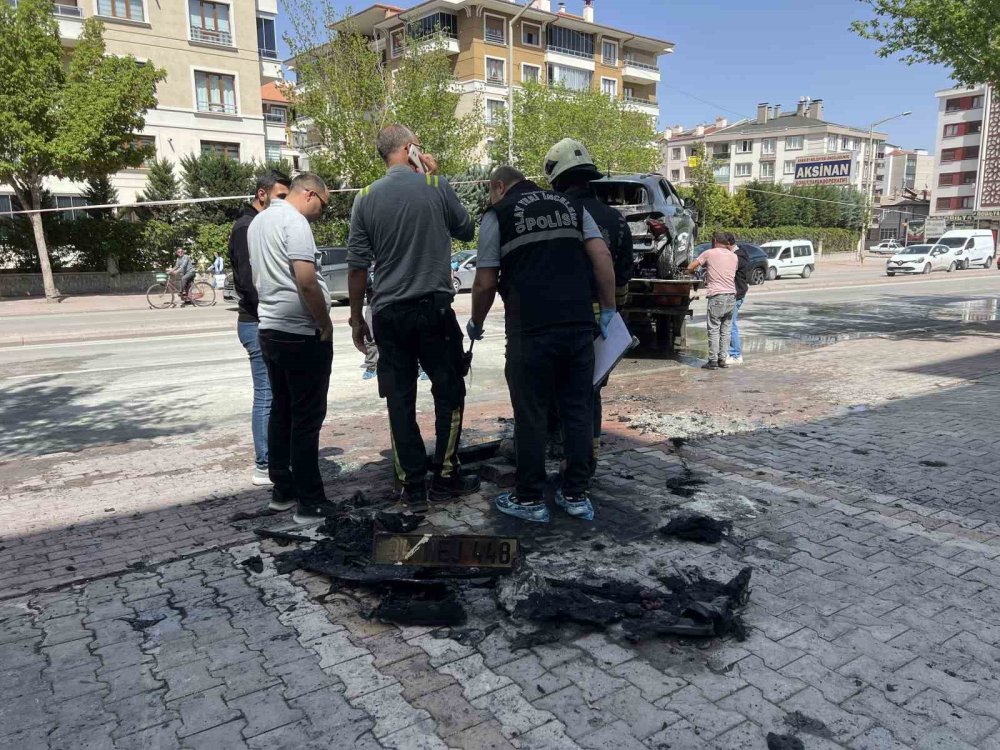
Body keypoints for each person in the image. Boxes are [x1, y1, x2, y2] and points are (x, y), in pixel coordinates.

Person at [468, 165, 616, 524]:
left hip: (531, 330)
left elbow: (485, 281)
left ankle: (530, 499)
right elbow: (601, 256)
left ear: (499, 186)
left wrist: (477, 322)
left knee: (531, 414)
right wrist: (609, 308)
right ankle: (576, 494)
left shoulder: (498, 214)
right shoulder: (572, 206)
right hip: (579, 326)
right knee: (577, 410)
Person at [347, 124, 480, 509]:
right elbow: (467, 228)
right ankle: (446, 476)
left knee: (399, 399)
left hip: (389, 315)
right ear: (409, 150)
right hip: (434, 311)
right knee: (449, 391)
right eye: (419, 146)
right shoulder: (436, 186)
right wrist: (435, 177)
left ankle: (412, 486)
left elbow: (357, 267)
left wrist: (356, 319)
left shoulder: (364, 198)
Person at [248, 172, 337, 523]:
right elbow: (306, 280)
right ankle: (310, 502)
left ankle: (282, 490)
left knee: (281, 411)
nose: (321, 213)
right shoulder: (294, 221)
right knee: (306, 418)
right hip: (300, 332)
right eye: (323, 205)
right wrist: (324, 323)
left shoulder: (259, 221)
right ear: (310, 194)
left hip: (270, 328)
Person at [545, 138, 634, 476]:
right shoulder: (616, 219)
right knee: (590, 392)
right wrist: (613, 311)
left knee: (555, 388)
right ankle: (587, 459)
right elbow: (623, 275)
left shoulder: (555, 216)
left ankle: (560, 449)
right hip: (604, 321)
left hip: (562, 319)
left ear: (557, 179)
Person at [228, 169, 291, 491]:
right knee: (266, 395)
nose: (284, 204)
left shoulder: (258, 224)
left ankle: (275, 459)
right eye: (280, 197)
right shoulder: (247, 227)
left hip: (261, 320)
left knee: (275, 393)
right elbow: (249, 281)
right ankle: (264, 464)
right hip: (256, 322)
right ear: (261, 194)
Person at [687, 230, 738, 370]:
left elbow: (690, 267)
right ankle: (723, 359)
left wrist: (693, 272)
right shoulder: (734, 256)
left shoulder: (709, 253)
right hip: (731, 296)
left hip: (717, 296)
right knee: (726, 330)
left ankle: (713, 361)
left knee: (714, 329)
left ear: (715, 241)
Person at [729, 233, 749, 364]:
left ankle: (735, 355)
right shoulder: (738, 254)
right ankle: (731, 353)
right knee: (729, 323)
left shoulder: (737, 256)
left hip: (737, 293)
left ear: (728, 244)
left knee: (730, 324)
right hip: (737, 292)